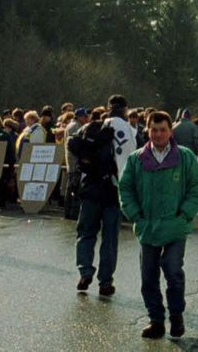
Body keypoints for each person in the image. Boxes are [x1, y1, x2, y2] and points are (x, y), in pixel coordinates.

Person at [118, 111, 198, 340]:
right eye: (154, 130)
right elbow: (125, 189)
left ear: (170, 131)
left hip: (175, 226)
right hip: (147, 227)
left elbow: (196, 189)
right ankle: (156, 320)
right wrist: (136, 215)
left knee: (173, 270)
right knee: (148, 277)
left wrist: (184, 214)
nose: (158, 134)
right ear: (147, 130)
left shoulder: (185, 157)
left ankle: (176, 314)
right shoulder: (137, 159)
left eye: (163, 130)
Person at [68, 101, 122, 297]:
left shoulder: (85, 131)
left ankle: (85, 270)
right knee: (109, 239)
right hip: (112, 191)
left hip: (90, 188)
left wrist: (74, 179)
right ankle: (105, 282)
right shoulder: (121, 132)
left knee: (85, 233)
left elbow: (71, 147)